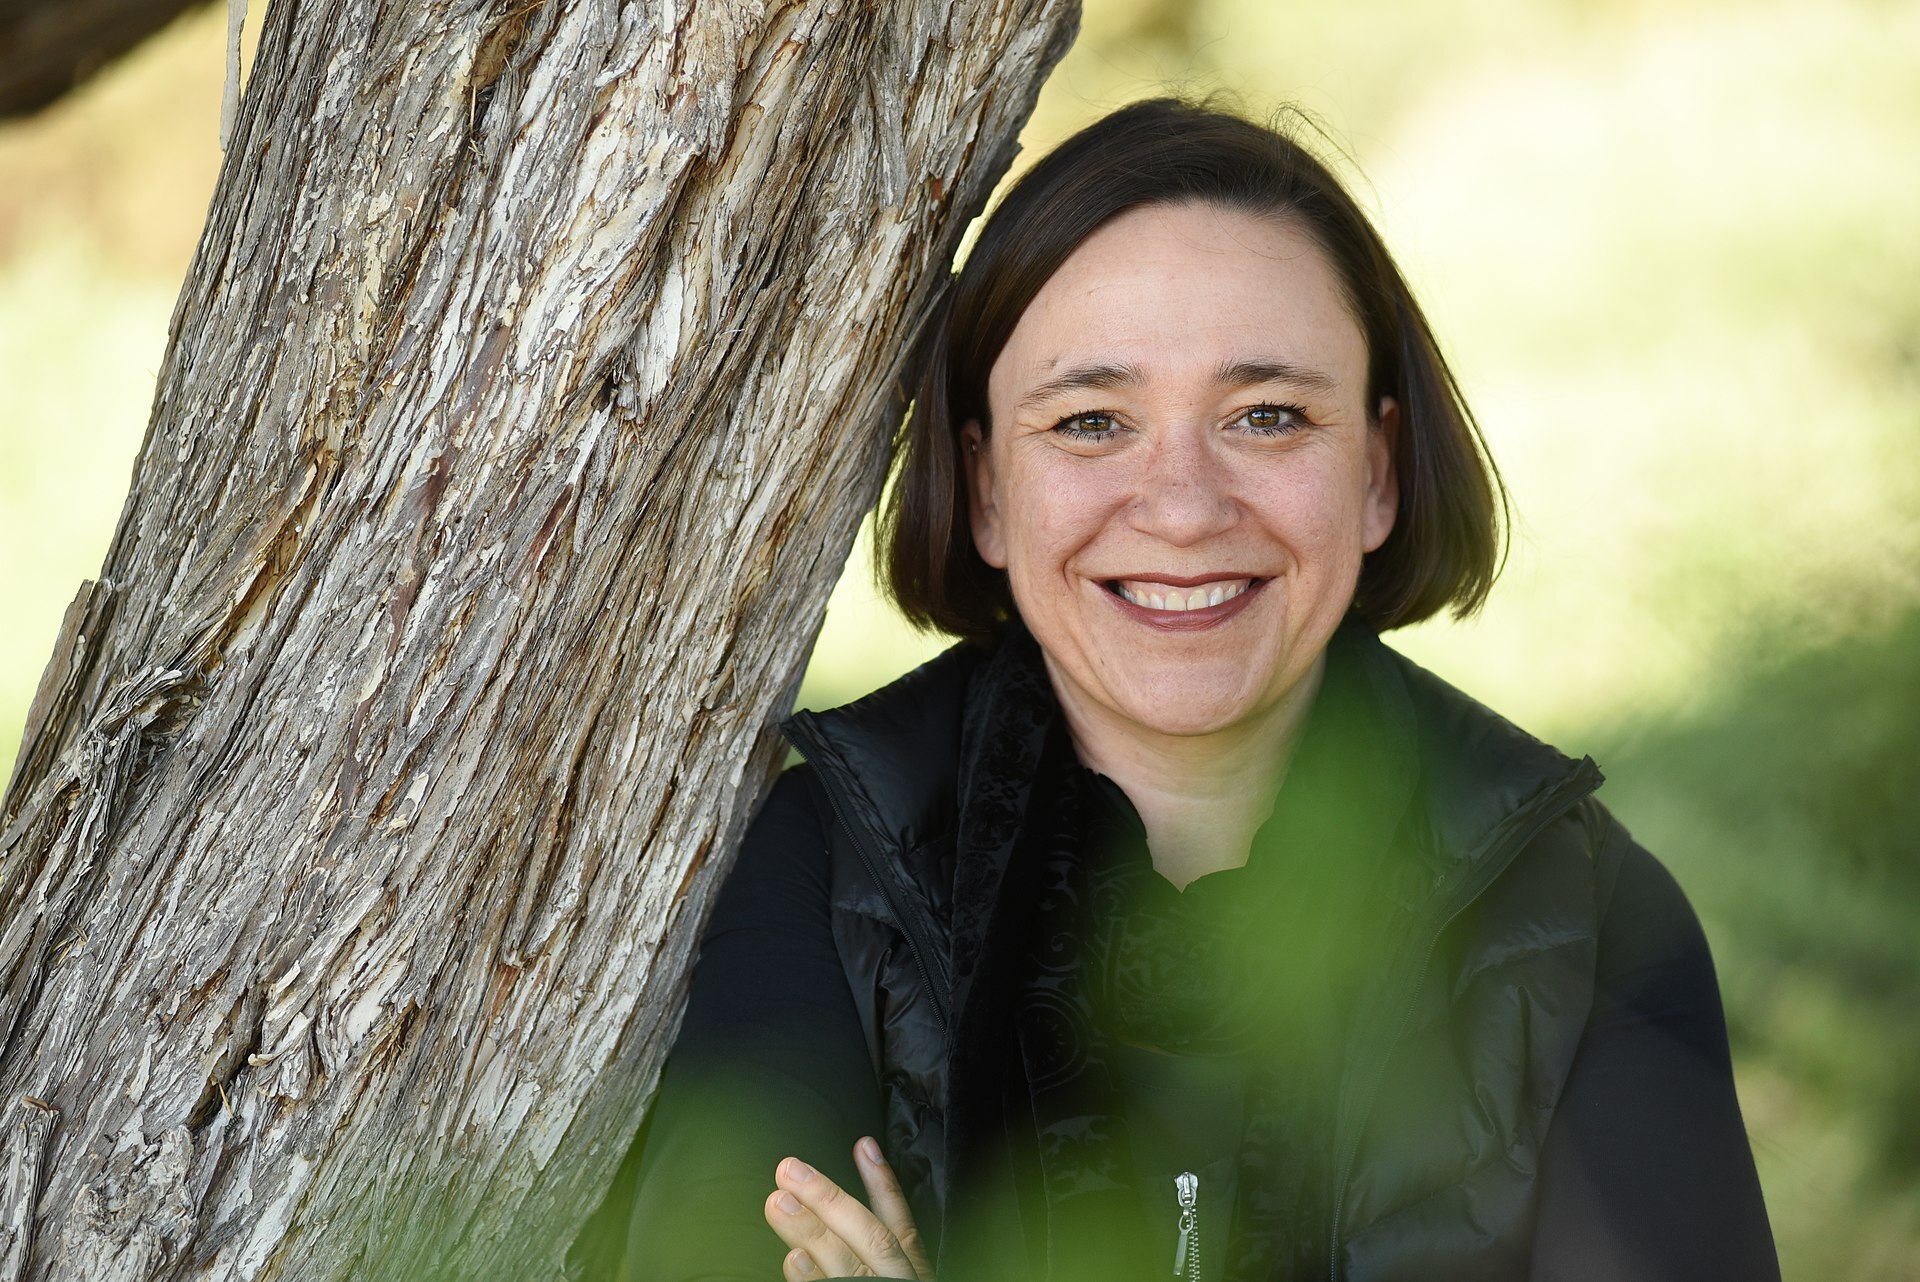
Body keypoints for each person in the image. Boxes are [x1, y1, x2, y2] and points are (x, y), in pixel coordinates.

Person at [619, 97, 1780, 1282]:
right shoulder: (822, 872)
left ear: (1377, 471)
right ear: (987, 490)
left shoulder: (1584, 913)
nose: (1182, 507)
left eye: (1267, 416)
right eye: (1091, 421)